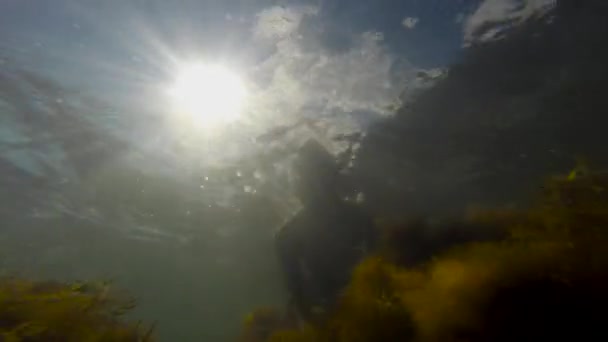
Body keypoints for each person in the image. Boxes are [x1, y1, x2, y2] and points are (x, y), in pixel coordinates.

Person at [274, 139, 375, 321]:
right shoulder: (288, 236)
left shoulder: (361, 217)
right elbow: (297, 293)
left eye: (321, 176)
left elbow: (380, 261)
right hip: (326, 312)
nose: (318, 185)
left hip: (362, 305)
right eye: (312, 178)